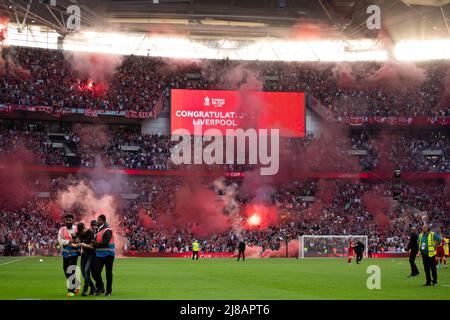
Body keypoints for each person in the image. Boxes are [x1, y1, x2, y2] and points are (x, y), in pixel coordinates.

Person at [92, 215, 115, 297]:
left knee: (108, 273)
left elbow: (105, 243)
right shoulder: (97, 230)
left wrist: (94, 243)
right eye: (97, 220)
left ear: (104, 221)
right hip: (100, 254)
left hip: (108, 254)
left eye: (99, 220)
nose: (97, 221)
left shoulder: (107, 230)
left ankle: (108, 291)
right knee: (96, 272)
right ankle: (101, 288)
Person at [57, 214, 80, 297]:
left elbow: (79, 239)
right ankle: (76, 284)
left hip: (74, 252)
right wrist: (69, 242)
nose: (68, 221)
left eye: (70, 220)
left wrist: (70, 242)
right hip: (66, 252)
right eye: (67, 220)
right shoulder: (61, 230)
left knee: (71, 269)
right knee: (65, 269)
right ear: (65, 221)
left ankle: (71, 290)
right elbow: (60, 241)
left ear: (72, 220)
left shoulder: (77, 228)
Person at [74, 221, 97, 296]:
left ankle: (85, 290)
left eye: (82, 232)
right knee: (83, 273)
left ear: (85, 228)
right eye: (80, 232)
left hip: (91, 254)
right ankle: (93, 287)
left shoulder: (90, 233)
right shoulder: (79, 232)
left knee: (86, 271)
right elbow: (74, 236)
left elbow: (93, 246)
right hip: (84, 254)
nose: (81, 233)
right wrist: (75, 238)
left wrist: (84, 244)